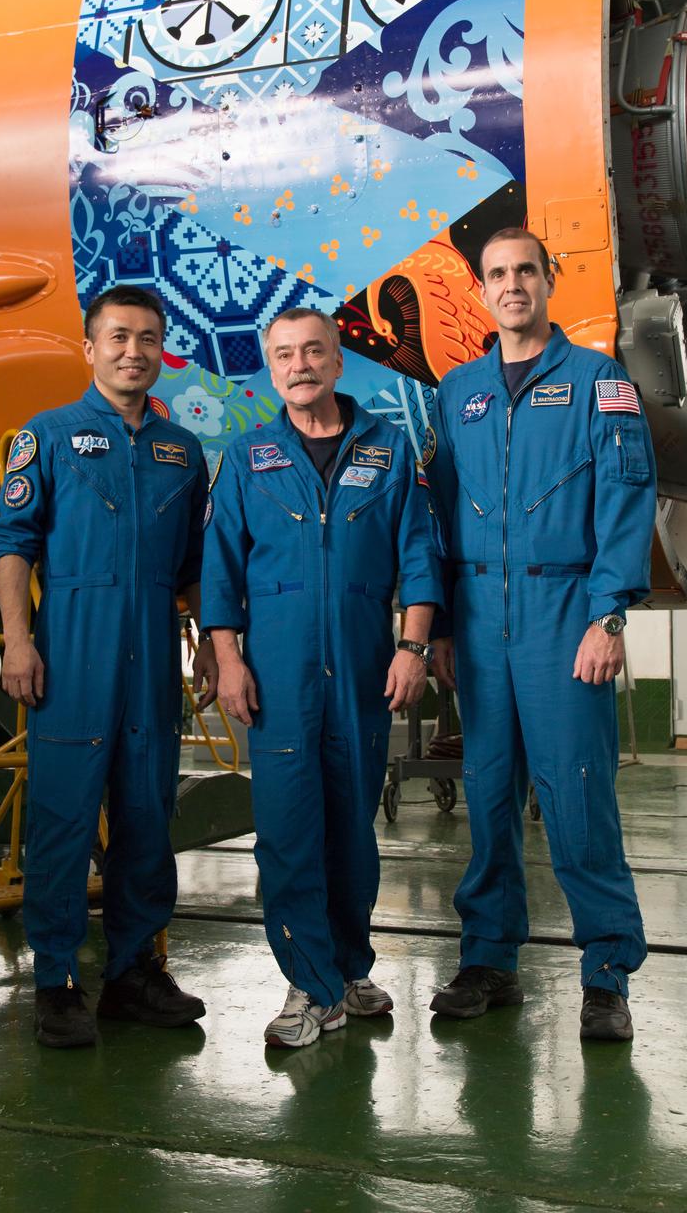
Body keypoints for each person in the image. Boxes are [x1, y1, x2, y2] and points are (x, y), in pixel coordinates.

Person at [424, 228, 657, 1041]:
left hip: (566, 619)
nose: (512, 284)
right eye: (497, 274)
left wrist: (608, 613)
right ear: (482, 290)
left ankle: (605, 973)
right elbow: (441, 515)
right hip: (480, 623)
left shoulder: (599, 382)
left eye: (525, 270)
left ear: (548, 282)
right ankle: (488, 959)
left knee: (576, 794)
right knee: (488, 799)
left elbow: (626, 500)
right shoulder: (458, 392)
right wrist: (444, 625)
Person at [201, 307, 443, 1047]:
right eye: (284, 356)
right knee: (287, 829)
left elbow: (418, 556)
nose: (300, 365)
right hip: (276, 671)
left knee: (352, 827)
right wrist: (229, 659)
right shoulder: (247, 457)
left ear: (338, 363)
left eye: (313, 352)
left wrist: (413, 647)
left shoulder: (388, 448)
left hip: (365, 664)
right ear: (271, 370)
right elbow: (219, 571)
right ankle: (309, 986)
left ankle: (346, 966)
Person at [0, 284, 217, 1048]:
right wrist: (19, 641)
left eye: (148, 339)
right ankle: (55, 980)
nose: (133, 352)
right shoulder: (45, 437)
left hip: (152, 657)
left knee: (149, 819)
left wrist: (215, 646)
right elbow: (12, 544)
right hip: (71, 656)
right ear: (90, 348)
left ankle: (132, 974)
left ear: (162, 352)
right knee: (61, 821)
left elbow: (193, 567)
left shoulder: (181, 451)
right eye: (118, 337)